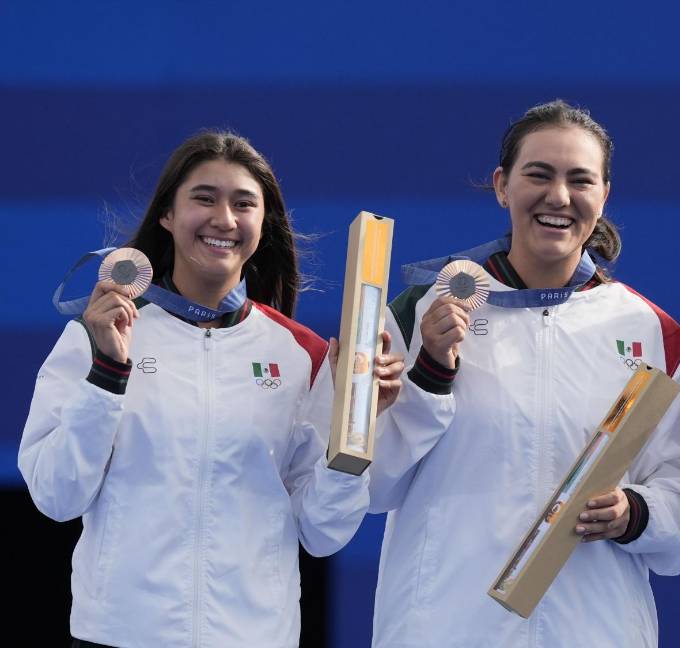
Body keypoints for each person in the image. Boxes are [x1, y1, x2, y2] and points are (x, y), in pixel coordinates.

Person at [20, 131, 398, 647]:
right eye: (204, 198)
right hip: (120, 635)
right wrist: (107, 374)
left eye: (244, 203)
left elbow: (323, 531)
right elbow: (56, 496)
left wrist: (357, 430)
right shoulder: (97, 335)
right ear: (167, 216)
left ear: (263, 227)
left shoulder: (302, 355)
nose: (224, 219)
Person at [367, 100, 680, 647]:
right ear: (502, 186)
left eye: (580, 180)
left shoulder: (653, 335)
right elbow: (372, 486)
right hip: (446, 629)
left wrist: (636, 512)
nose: (559, 197)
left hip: (595, 631)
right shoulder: (421, 310)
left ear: (604, 195)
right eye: (538, 175)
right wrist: (429, 371)